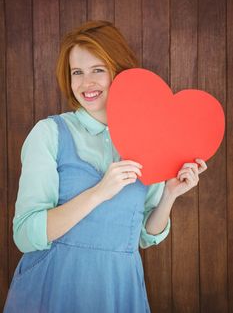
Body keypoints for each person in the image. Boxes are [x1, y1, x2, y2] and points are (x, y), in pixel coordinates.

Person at [4, 20, 207, 313]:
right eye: (77, 73)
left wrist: (170, 195)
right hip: (53, 285)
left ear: (120, 72)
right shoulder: (49, 133)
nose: (86, 83)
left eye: (98, 70)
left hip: (118, 287)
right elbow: (25, 234)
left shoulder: (148, 140)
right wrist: (98, 193)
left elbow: (145, 236)